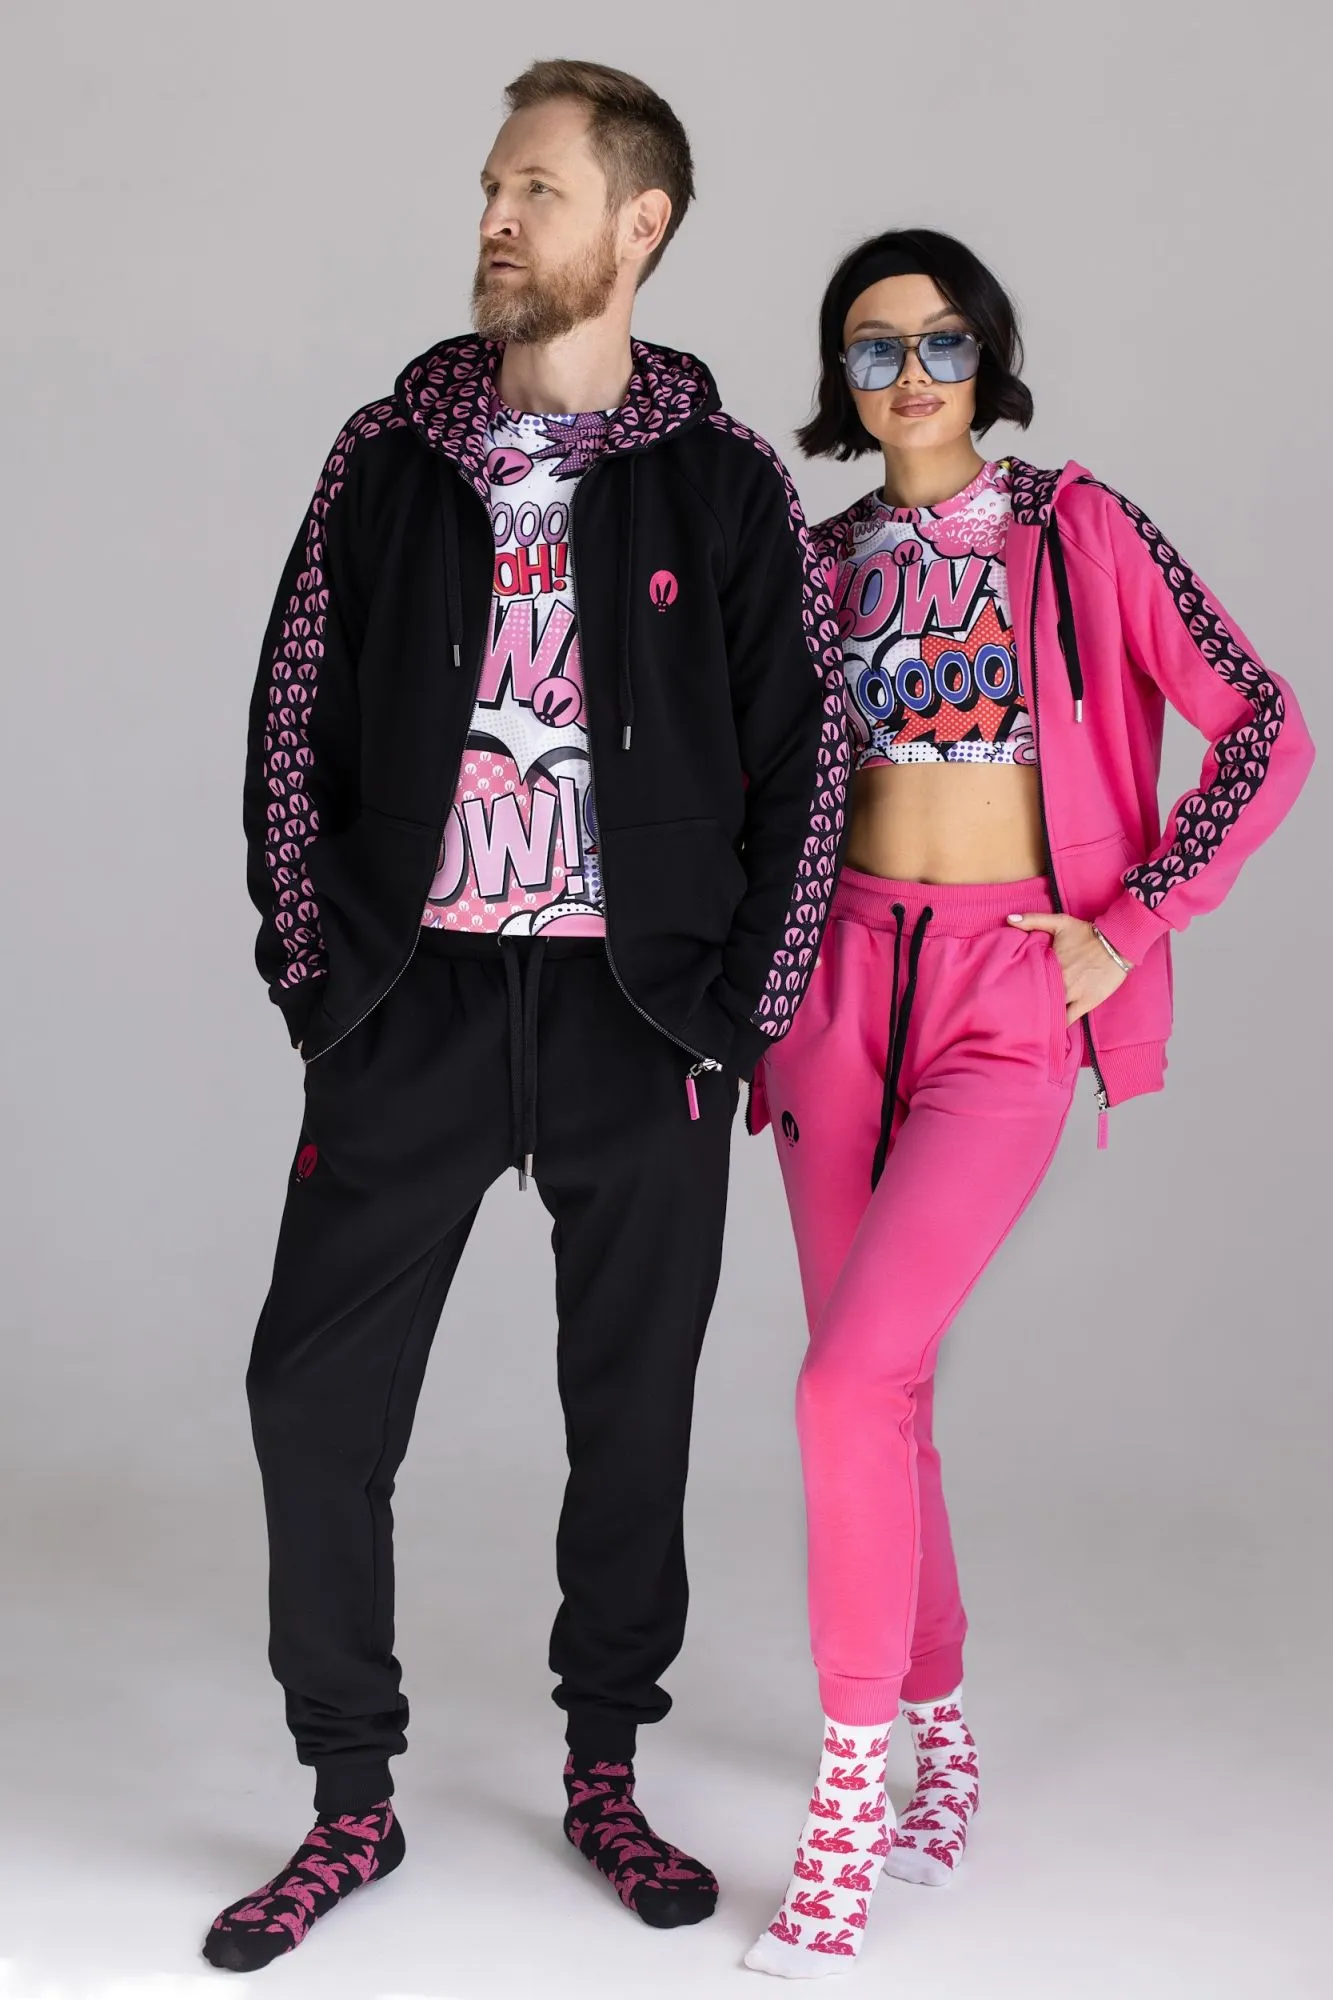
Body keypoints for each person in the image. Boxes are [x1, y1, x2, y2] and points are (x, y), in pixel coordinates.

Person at [205, 59, 846, 1974]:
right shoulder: (385, 455)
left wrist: (733, 1019)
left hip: (638, 1019)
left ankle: (604, 1771)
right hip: (409, 1002)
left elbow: (808, 767)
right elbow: (291, 713)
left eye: (537, 189)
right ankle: (350, 1800)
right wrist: (318, 978)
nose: (495, 216)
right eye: (491, 184)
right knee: (311, 1400)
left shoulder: (724, 482)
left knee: (628, 1412)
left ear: (639, 226)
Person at [744, 228, 1314, 1978]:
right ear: (842, 380)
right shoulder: (817, 560)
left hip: (1008, 993)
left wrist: (1131, 926)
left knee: (846, 1380)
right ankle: (944, 1733)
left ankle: (848, 1800)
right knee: (876, 1394)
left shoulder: (1080, 528)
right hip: (838, 993)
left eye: (940, 343)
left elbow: (1265, 726)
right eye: (873, 349)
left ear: (987, 358)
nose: (910, 376)